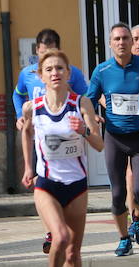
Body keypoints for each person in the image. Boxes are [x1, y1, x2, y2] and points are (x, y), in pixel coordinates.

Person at [20, 49, 104, 267]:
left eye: (60, 68)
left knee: (73, 251)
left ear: (69, 74)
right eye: (49, 69)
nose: (55, 73)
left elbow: (99, 145)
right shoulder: (34, 106)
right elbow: (27, 133)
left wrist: (84, 130)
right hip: (47, 184)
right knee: (61, 237)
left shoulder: (81, 104)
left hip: (77, 184)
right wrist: (29, 167)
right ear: (41, 76)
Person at [86, 23, 139, 256]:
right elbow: (90, 100)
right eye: (117, 39)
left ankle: (138, 218)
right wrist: (92, 118)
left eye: (125, 38)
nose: (121, 42)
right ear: (110, 44)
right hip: (114, 138)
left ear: (132, 42)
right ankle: (123, 239)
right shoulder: (101, 71)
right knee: (118, 194)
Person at [13, 28, 89, 254]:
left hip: (64, 135)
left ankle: (59, 226)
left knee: (58, 181)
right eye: (43, 53)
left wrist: (89, 117)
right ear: (37, 51)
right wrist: (19, 115)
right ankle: (51, 229)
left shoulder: (70, 72)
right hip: (38, 136)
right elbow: (17, 95)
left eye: (53, 52)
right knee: (41, 181)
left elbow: (85, 94)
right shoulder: (27, 73)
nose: (50, 63)